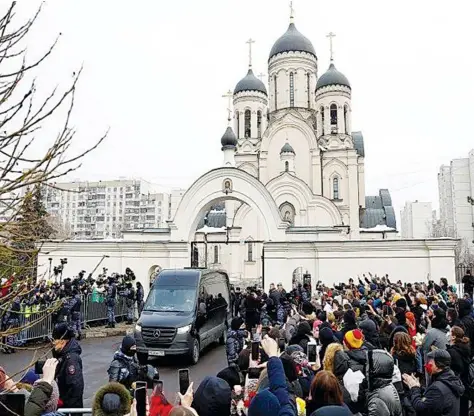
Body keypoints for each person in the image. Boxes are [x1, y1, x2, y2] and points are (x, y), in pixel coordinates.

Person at [403, 349, 465, 416]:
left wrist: (414, 388)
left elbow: (420, 408)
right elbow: (433, 397)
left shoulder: (437, 388)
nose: (425, 365)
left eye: (429, 363)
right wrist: (419, 387)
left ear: (438, 367)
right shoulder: (450, 379)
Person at [51, 323, 84, 409]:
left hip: (69, 407)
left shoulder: (71, 359)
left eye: (55, 339)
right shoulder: (62, 354)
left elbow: (76, 386)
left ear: (63, 341)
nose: (53, 343)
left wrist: (66, 406)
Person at [366, 349, 403, 416]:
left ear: (373, 370)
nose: (366, 368)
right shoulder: (388, 385)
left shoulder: (376, 400)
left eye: (368, 365)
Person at [446, 326, 471, 416]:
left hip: (456, 385)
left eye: (450, 332)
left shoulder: (452, 352)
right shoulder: (464, 348)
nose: (447, 334)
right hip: (464, 384)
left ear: (453, 337)